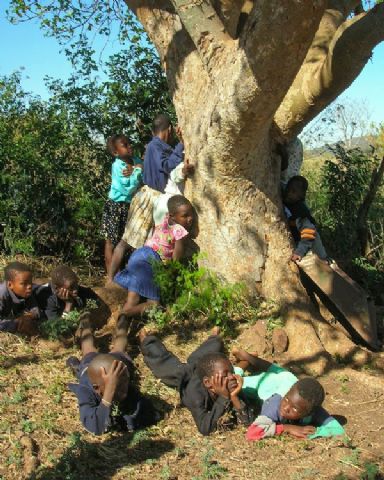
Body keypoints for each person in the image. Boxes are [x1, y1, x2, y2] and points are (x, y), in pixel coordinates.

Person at [107, 114, 194, 282]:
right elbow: (167, 165)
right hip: (148, 198)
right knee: (127, 241)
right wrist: (181, 145)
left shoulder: (157, 147)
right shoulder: (155, 147)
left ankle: (134, 280)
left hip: (154, 198)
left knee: (145, 243)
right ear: (169, 130)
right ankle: (110, 279)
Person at [139, 327, 255, 436]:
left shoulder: (231, 385)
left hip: (201, 366)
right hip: (186, 377)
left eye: (231, 372)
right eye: (225, 375)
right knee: (165, 364)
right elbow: (205, 428)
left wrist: (234, 397)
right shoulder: (195, 394)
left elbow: (248, 422)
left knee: (214, 347)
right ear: (208, 383)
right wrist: (224, 398)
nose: (231, 377)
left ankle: (214, 337)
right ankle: (146, 341)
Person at [67, 314, 156, 435]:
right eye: (117, 387)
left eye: (125, 382)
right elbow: (94, 426)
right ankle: (85, 322)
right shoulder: (86, 391)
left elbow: (150, 413)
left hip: (117, 361)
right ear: (96, 388)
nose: (124, 390)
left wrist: (122, 422)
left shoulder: (121, 379)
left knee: (119, 347)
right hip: (89, 366)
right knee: (88, 348)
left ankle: (124, 319)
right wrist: (109, 394)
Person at [230, 349, 345, 441]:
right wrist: (287, 428)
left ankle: (249, 359)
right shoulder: (275, 405)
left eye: (295, 408)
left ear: (309, 413)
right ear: (286, 394)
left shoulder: (313, 409)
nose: (286, 407)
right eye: (286, 400)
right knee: (234, 382)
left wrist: (315, 432)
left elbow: (337, 430)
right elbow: (253, 433)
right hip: (267, 384)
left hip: (287, 381)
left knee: (276, 371)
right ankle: (244, 362)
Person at [113, 195, 194, 316]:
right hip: (149, 261)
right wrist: (170, 287)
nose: (190, 219)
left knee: (133, 299)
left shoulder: (164, 222)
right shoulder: (179, 230)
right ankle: (125, 314)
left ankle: (121, 330)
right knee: (154, 304)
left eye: (191, 214)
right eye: (185, 216)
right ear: (172, 216)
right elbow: (176, 262)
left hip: (137, 255)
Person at [101, 134, 143, 275]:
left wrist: (138, 167)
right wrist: (137, 170)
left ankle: (122, 274)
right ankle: (111, 275)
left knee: (126, 241)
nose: (129, 147)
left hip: (130, 207)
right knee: (111, 241)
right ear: (115, 152)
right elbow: (128, 188)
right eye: (124, 145)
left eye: (129, 143)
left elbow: (143, 174)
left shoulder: (135, 160)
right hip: (116, 206)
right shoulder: (118, 166)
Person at [36, 265, 110, 327]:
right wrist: (68, 305)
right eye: (71, 288)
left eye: (76, 285)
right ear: (57, 289)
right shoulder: (48, 299)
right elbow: (58, 327)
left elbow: (100, 307)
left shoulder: (82, 291)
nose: (75, 290)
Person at [283, 175, 328, 262]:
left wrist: (299, 252)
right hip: (297, 236)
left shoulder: (300, 211)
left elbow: (309, 233)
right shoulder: (284, 197)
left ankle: (325, 261)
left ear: (301, 196)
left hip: (311, 240)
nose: (289, 193)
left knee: (321, 261)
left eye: (294, 192)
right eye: (288, 189)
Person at [0, 262, 41, 335]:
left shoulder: (26, 292)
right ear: (10, 285)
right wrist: (17, 323)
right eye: (24, 283)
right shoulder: (2, 295)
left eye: (30, 282)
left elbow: (35, 309)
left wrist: (29, 316)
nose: (29, 286)